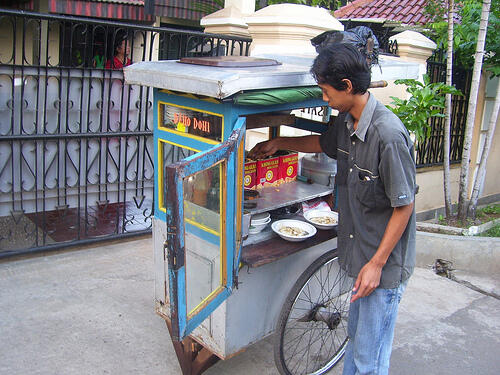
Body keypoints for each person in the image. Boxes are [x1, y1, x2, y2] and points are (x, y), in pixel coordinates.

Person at [249, 43, 416, 375]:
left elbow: (405, 205)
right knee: (356, 344)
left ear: (347, 87)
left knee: (370, 360)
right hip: (361, 256)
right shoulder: (347, 121)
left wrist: (375, 265)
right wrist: (277, 143)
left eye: (326, 91)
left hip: (380, 267)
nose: (324, 99)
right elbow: (323, 143)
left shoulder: (388, 135)